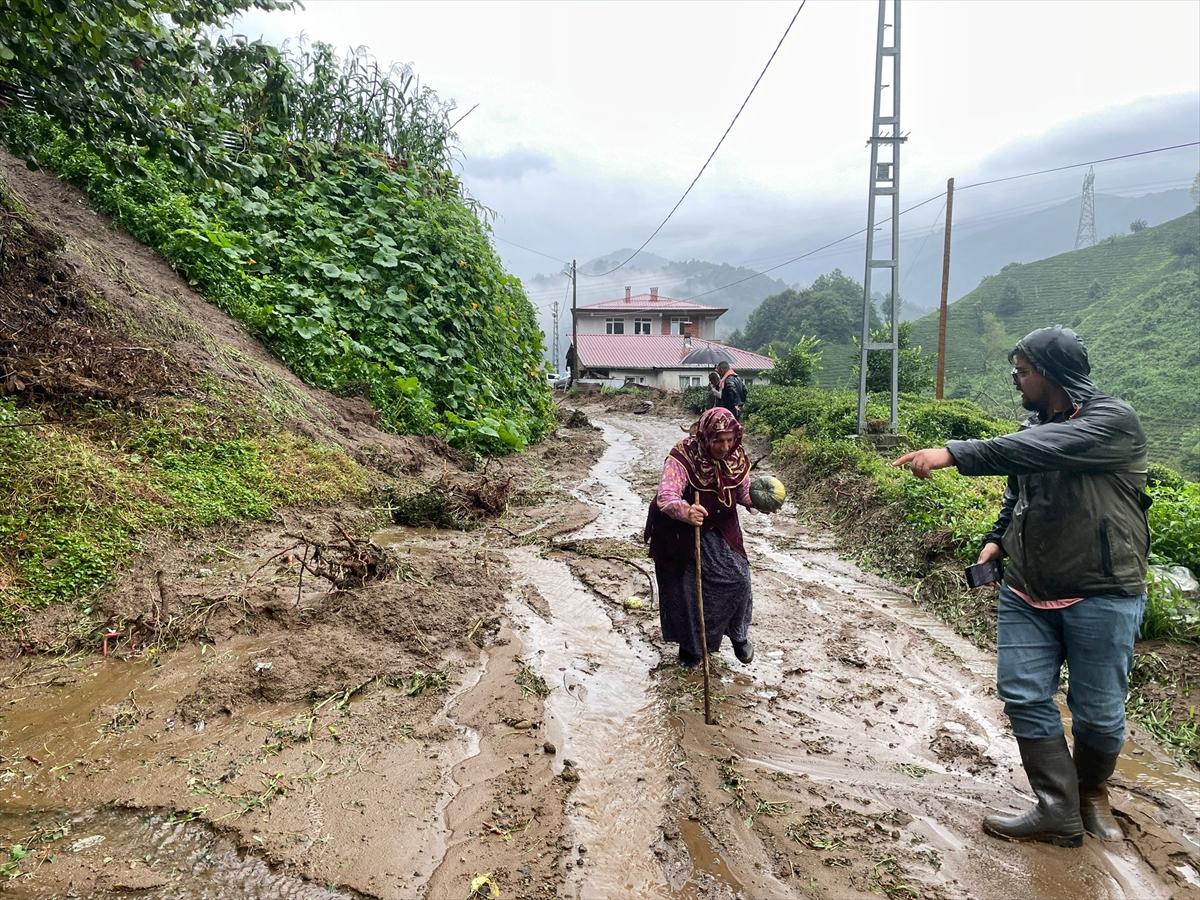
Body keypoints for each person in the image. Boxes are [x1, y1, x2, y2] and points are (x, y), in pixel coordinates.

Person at [893, 326, 1150, 848]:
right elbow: (1019, 491)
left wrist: (953, 453)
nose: (1016, 380)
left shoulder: (1111, 423)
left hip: (1101, 588)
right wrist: (996, 540)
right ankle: (1057, 808)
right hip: (1026, 587)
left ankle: (1090, 791)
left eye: (1023, 371)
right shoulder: (1035, 426)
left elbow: (1042, 449)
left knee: (1098, 713)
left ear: (1052, 373)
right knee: (1023, 695)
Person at [645, 407, 756, 668]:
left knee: (738, 578)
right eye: (718, 440)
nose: (724, 446)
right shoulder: (683, 456)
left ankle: (737, 634)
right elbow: (666, 496)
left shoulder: (736, 456)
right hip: (681, 530)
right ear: (705, 436)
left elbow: (743, 493)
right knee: (686, 589)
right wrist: (685, 510)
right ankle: (692, 647)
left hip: (721, 525)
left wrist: (759, 501)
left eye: (729, 439)